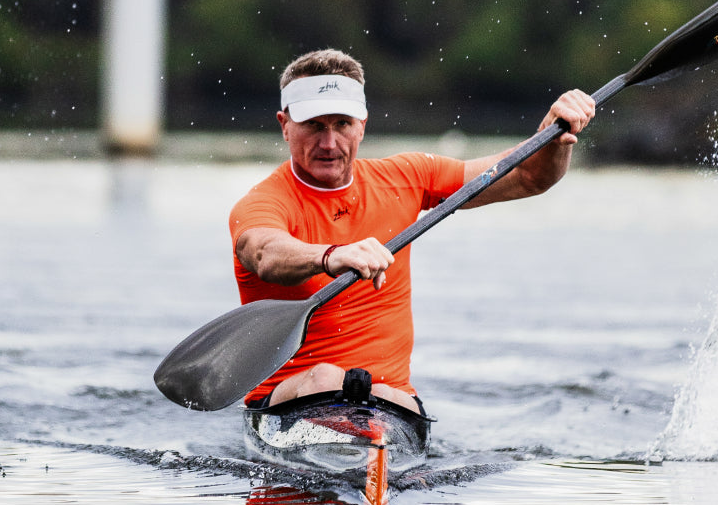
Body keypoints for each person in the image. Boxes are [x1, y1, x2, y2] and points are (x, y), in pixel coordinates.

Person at [229, 48, 594, 414]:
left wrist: (553, 136)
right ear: (284, 125)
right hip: (286, 399)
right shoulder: (263, 202)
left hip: (388, 400)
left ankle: (372, 449)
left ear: (363, 124)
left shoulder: (408, 177)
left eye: (342, 124)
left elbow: (529, 176)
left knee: (397, 399)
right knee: (325, 377)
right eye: (314, 126)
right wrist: (331, 256)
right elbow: (264, 253)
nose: (329, 143)